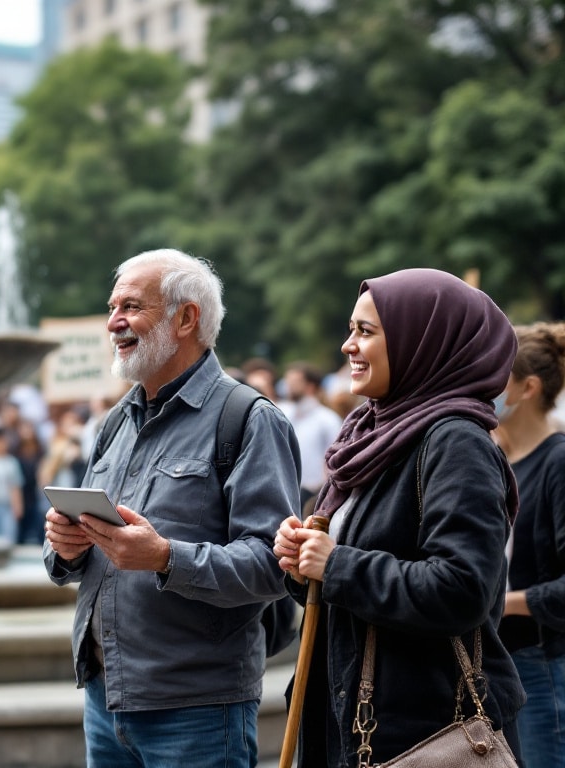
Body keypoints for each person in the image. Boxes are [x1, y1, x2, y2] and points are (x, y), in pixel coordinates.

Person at [44, 248, 300, 768]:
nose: (114, 322)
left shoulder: (248, 419)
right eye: (112, 307)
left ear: (187, 318)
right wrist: (65, 548)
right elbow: (75, 555)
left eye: (132, 307)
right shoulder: (115, 421)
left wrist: (165, 557)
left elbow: (274, 567)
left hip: (198, 709)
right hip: (105, 697)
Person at [274, 268, 526, 765]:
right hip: (355, 723)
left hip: (423, 732)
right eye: (350, 330)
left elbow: (462, 588)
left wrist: (337, 563)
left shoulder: (455, 442)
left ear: (423, 342)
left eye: (366, 332)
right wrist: (300, 561)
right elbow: (340, 580)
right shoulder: (367, 436)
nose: (348, 345)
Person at [494, 322, 565, 767]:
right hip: (507, 664)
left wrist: (499, 603)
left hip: (542, 667)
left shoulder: (558, 461)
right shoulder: (497, 457)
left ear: (528, 388)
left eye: (497, 372)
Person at [280, 362, 343, 510]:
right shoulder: (282, 413)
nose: (288, 386)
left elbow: (336, 460)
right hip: (285, 492)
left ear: (310, 386)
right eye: (288, 381)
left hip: (313, 496)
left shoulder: (328, 420)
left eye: (295, 382)